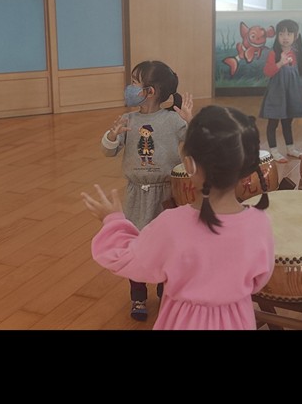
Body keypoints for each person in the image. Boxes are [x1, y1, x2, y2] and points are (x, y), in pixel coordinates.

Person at [86, 105, 275, 330]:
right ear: (246, 170)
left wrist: (113, 221)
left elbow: (130, 260)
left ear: (189, 164)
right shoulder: (260, 223)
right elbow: (259, 280)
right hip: (238, 320)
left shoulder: (172, 224)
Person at [100, 60, 193, 321]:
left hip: (166, 194)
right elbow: (107, 151)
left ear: (150, 91)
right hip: (135, 195)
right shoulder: (128, 120)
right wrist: (112, 135)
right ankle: (138, 296)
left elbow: (196, 143)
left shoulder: (172, 120)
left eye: (134, 82)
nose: (129, 87)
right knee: (136, 245)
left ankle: (166, 291)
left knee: (166, 244)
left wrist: (190, 121)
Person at [260, 19, 302, 163]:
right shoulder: (274, 53)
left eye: (289, 34)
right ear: (277, 36)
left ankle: (290, 148)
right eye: (281, 34)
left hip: (291, 93)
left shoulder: (296, 53)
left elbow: (300, 73)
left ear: (296, 36)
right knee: (273, 122)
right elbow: (267, 72)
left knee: (287, 122)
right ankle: (274, 151)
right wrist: (280, 63)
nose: (285, 37)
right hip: (277, 93)